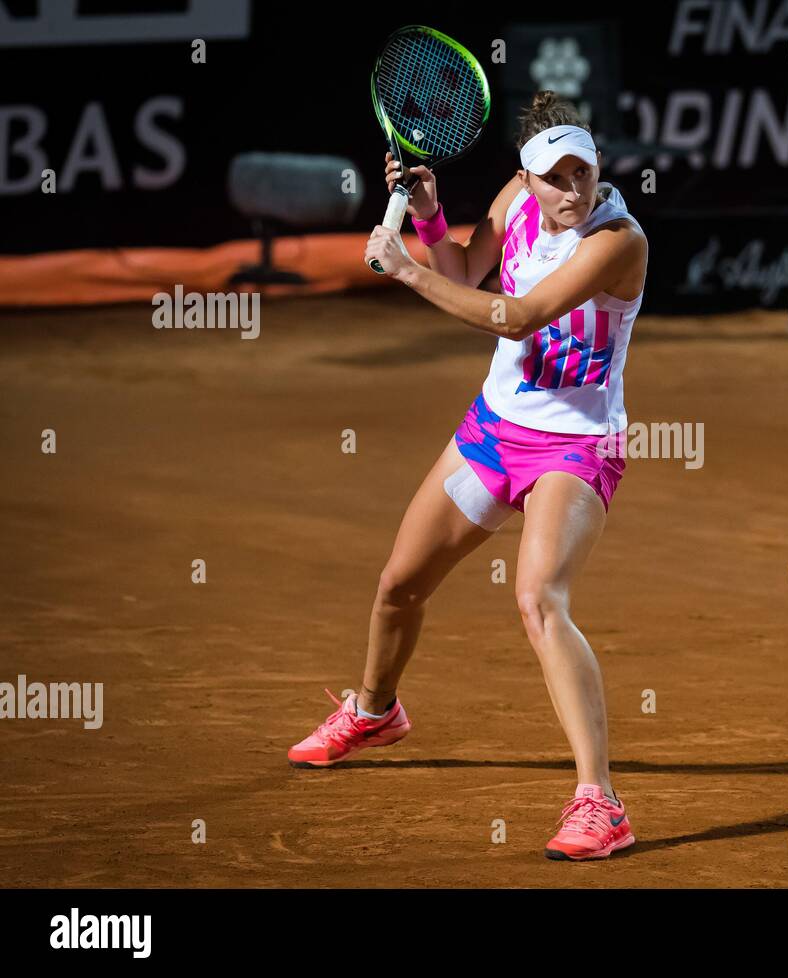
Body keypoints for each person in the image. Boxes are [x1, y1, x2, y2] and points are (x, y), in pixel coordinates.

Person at [288, 91, 648, 862]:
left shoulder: (616, 240)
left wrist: (403, 274)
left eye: (583, 173)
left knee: (538, 598)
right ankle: (375, 710)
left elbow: (514, 316)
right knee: (399, 586)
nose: (572, 191)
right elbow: (466, 269)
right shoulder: (516, 198)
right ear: (527, 174)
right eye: (555, 177)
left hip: (574, 449)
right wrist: (426, 219)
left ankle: (601, 802)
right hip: (492, 432)